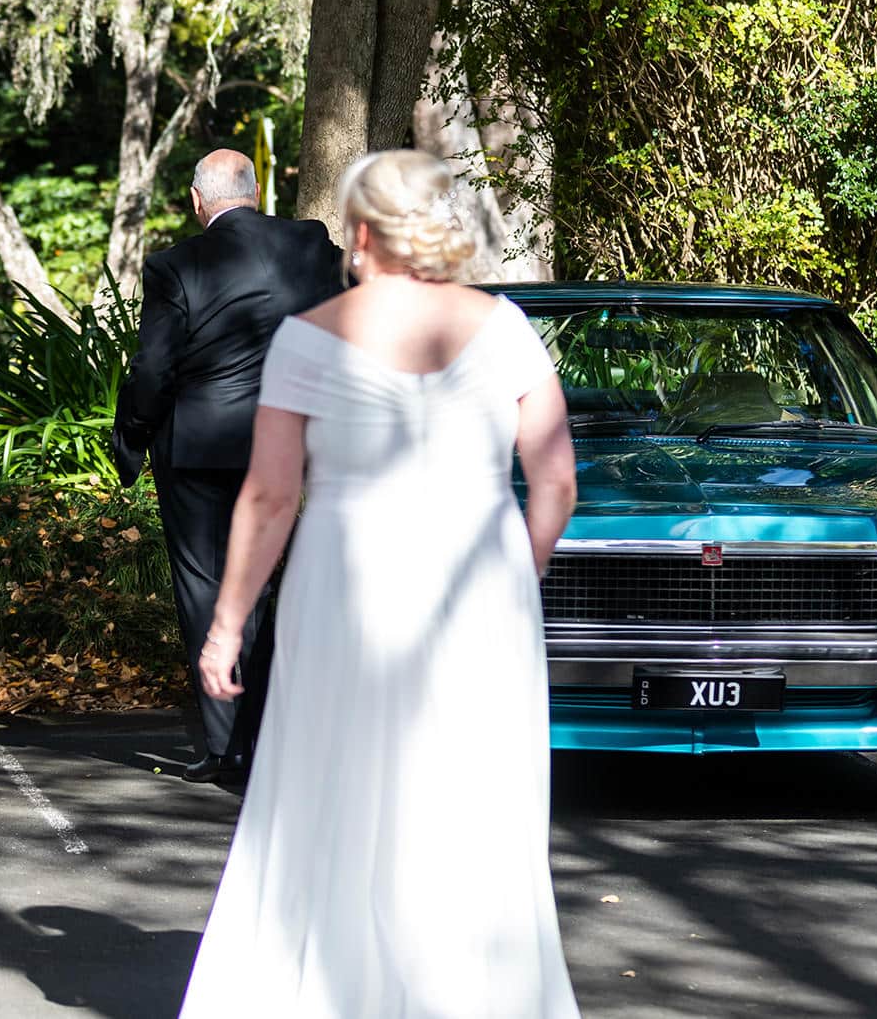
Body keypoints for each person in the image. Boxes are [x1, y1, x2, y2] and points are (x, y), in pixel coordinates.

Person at [180, 149, 582, 1017]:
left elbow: (272, 493)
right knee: (471, 801)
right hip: (482, 593)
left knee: (333, 790)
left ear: (361, 230)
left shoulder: (309, 337)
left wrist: (227, 624)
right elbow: (554, 482)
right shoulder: (507, 327)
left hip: (346, 590)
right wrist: (521, 574)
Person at [113, 148, 343, 784]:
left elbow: (153, 369)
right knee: (277, 586)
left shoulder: (174, 265)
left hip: (200, 448)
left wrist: (130, 436)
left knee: (205, 589)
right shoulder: (311, 247)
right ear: (256, 190)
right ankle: (274, 736)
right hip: (292, 439)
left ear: (196, 199)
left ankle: (227, 747)